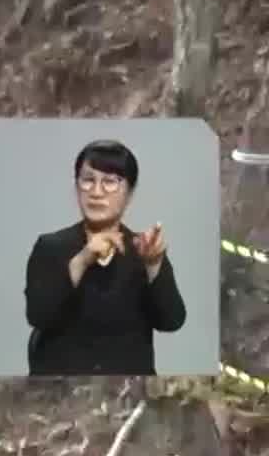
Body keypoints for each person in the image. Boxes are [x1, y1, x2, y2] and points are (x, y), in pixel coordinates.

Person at [23, 139, 186, 376]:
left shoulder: (142, 249)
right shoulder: (51, 247)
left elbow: (172, 321)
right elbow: (39, 314)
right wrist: (81, 260)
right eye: (88, 180)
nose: (97, 192)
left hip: (127, 390)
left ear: (129, 193)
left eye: (110, 182)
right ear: (76, 186)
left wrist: (153, 265)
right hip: (62, 388)